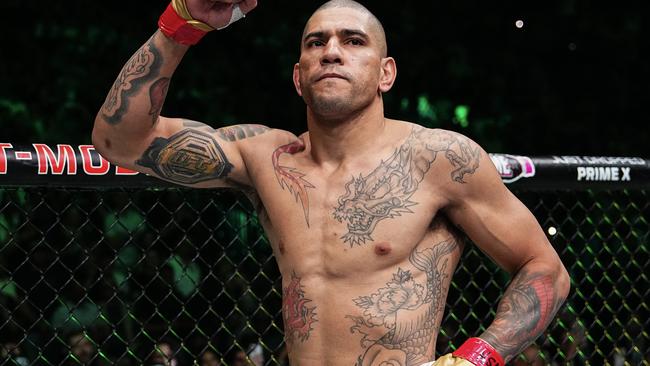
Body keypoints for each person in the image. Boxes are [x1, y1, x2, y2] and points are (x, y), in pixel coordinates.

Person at [91, 0, 571, 364]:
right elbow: (121, 141)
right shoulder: (267, 157)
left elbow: (545, 269)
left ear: (386, 73)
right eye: (315, 43)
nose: (332, 52)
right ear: (298, 77)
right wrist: (182, 22)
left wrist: (476, 358)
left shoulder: (437, 158)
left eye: (353, 41)